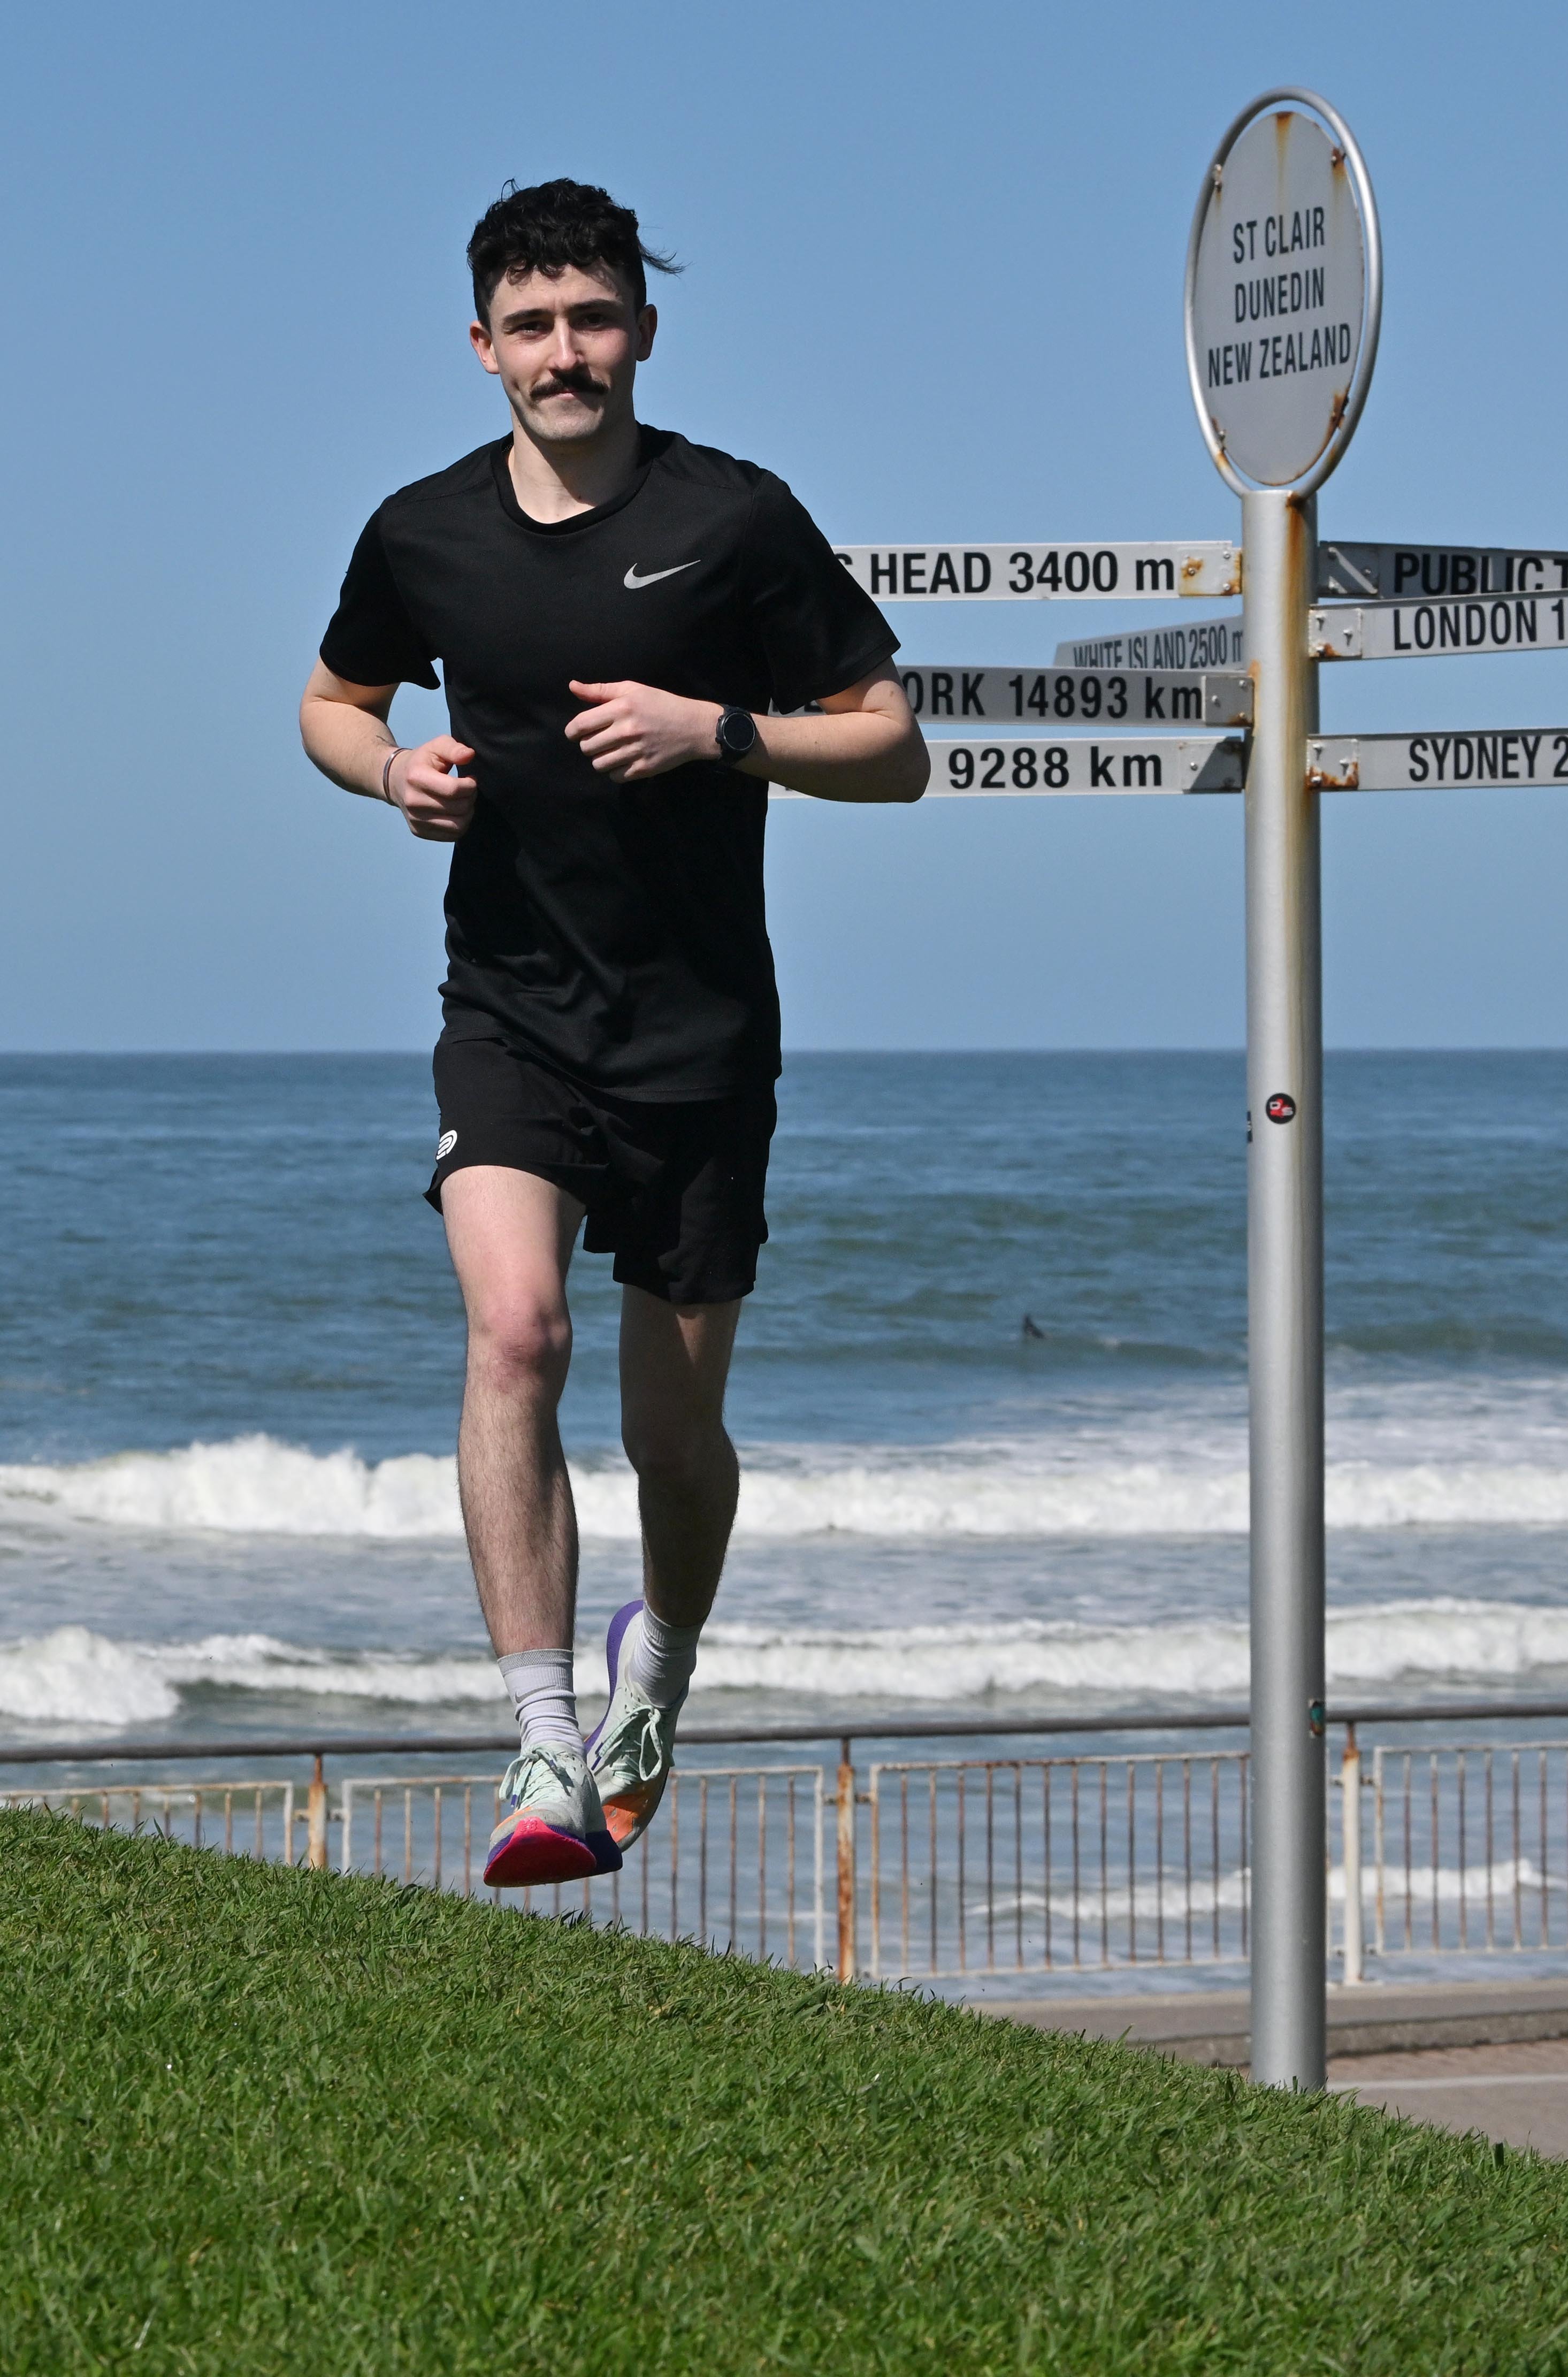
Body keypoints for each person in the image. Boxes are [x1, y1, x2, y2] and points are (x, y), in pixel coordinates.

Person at [299, 180, 924, 1887]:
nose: (562, 353)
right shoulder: (421, 532)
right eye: (531, 324)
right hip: (507, 1010)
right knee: (516, 1336)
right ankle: (540, 1738)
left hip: (701, 1039)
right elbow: (333, 698)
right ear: (481, 342)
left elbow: (891, 740)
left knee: (673, 1438)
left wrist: (719, 726)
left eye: (591, 318)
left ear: (640, 327)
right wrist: (388, 770)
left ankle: (658, 1665)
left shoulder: (735, 518)